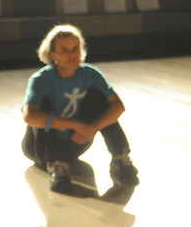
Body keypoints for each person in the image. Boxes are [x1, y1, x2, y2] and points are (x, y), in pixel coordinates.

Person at [21, 24, 139, 194]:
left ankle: (120, 159)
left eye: (75, 48)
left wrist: (92, 128)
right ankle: (56, 166)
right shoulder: (41, 79)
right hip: (41, 148)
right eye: (65, 50)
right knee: (42, 106)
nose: (72, 54)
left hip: (77, 141)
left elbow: (118, 106)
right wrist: (76, 124)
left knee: (99, 99)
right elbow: (29, 117)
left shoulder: (90, 74)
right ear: (53, 55)